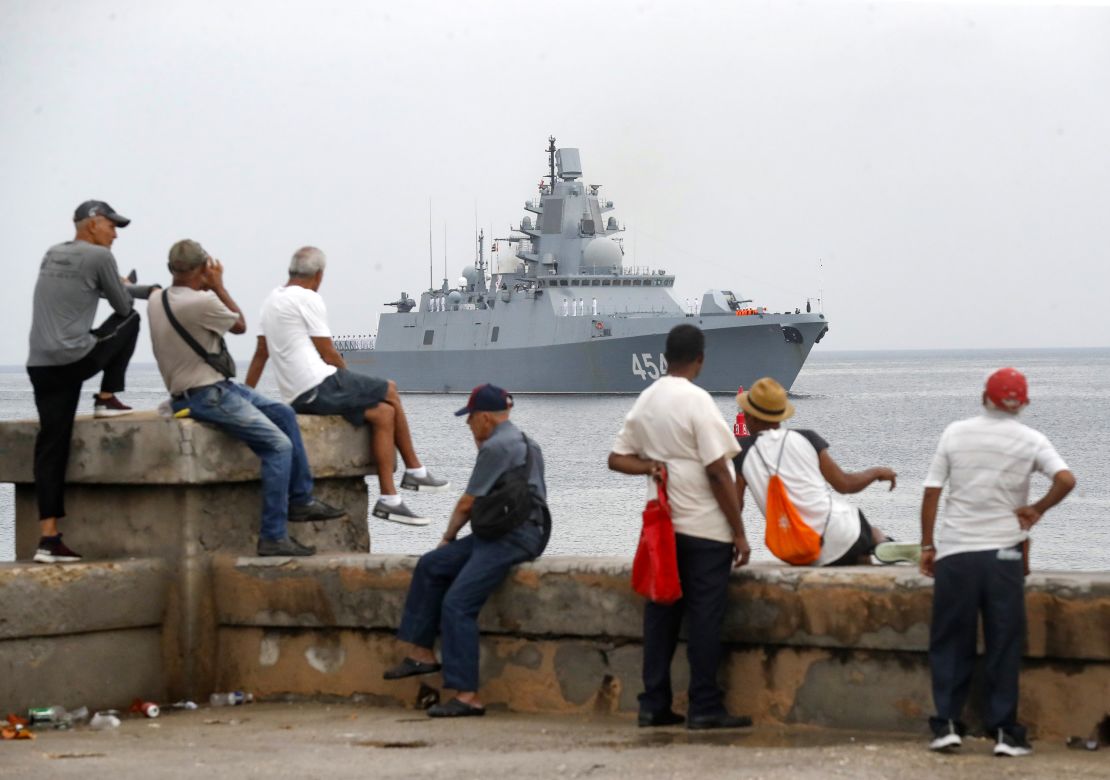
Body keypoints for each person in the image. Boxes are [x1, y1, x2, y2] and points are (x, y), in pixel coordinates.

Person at [148, 239, 345, 557]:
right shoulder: (201, 303)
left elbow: (152, 292)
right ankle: (273, 536)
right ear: (203, 268)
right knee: (278, 446)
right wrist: (218, 285)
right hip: (205, 394)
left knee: (283, 413)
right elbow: (239, 324)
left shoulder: (157, 299)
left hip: (207, 387)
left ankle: (301, 499)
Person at [920, 367, 1075, 757]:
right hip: (1004, 555)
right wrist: (1036, 509)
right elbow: (1066, 479)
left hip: (957, 553)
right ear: (1023, 403)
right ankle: (1005, 731)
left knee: (951, 640)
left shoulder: (955, 433)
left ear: (983, 397)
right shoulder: (1031, 439)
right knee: (1003, 642)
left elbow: (932, 491)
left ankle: (948, 725)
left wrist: (927, 545)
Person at [608, 324, 753, 730]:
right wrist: (739, 533)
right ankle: (704, 705)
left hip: (663, 528)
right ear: (700, 358)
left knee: (660, 618)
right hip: (706, 531)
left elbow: (616, 458)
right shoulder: (698, 401)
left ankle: (653, 704)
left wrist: (653, 466)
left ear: (666, 355)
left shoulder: (647, 399)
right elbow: (718, 473)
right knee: (706, 620)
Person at [245, 247, 447, 525]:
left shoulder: (271, 301)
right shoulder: (307, 298)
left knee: (383, 414)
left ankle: (390, 499)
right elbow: (328, 353)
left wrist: (246, 396)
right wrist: (352, 386)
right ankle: (415, 469)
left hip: (297, 395)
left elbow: (260, 354)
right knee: (389, 388)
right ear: (319, 275)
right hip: (318, 384)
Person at [382, 384, 549, 717]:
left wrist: (448, 537)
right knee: (432, 566)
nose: (468, 425)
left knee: (458, 603)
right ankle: (422, 655)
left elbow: (468, 502)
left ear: (485, 418)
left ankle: (467, 695)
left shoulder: (497, 447)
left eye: (470, 419)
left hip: (513, 537)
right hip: (516, 531)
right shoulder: (527, 443)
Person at [27, 200, 142, 563]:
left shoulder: (52, 253)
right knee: (131, 320)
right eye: (112, 226)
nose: (116, 234)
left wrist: (115, 287)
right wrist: (126, 287)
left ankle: (49, 539)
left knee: (52, 445)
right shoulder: (100, 257)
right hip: (74, 360)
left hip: (40, 364)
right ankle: (107, 397)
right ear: (92, 224)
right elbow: (122, 307)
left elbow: (75, 289)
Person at [733, 377, 911, 566]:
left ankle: (877, 544)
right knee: (868, 534)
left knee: (845, 553)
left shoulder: (739, 452)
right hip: (844, 531)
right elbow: (845, 484)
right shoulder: (807, 438)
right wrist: (876, 472)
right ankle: (882, 543)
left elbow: (735, 506)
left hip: (797, 546)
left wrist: (738, 539)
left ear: (751, 417)